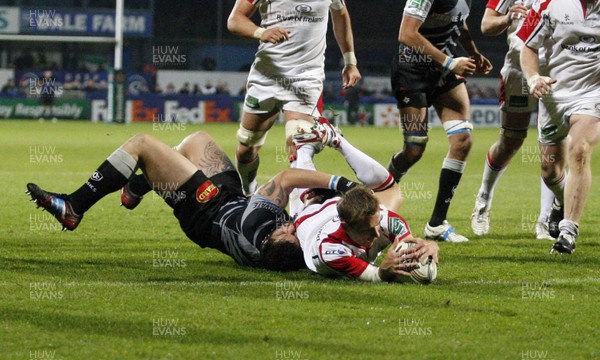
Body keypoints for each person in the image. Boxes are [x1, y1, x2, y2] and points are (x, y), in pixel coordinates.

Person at [26, 131, 359, 271]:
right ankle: (142, 183)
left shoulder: (257, 225)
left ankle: (74, 206)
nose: (290, 227)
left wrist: (342, 185)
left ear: (272, 237)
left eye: (286, 230)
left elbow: (285, 179)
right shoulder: (301, 251)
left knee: (142, 144)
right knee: (197, 140)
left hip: (205, 209)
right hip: (229, 200)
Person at [227, 0, 361, 195]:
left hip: (306, 79)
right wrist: (261, 32)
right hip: (267, 76)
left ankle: (302, 218)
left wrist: (350, 61)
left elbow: (340, 15)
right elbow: (234, 20)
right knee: (246, 148)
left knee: (300, 147)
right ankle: (248, 191)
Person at [387, 0, 493, 243]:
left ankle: (436, 223)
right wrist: (449, 61)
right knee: (413, 151)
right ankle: (377, 195)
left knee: (463, 140)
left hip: (442, 72)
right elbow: (406, 33)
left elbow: (460, 21)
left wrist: (473, 52)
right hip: (411, 71)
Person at [289, 120, 440, 282]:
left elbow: (409, 244)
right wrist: (384, 270)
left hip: (338, 206)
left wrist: (429, 246)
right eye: (367, 230)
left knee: (392, 190)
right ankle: (303, 149)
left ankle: (337, 141)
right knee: (307, 194)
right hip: (308, 217)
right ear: (346, 226)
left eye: (376, 225)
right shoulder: (329, 250)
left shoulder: (383, 219)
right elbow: (375, 275)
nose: (376, 234)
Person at [518, 0, 600, 254]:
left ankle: (568, 231)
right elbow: (528, 46)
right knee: (550, 171)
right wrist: (533, 77)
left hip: (592, 94)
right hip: (553, 94)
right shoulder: (546, 4)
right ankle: (562, 201)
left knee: (580, 148)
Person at [471, 0, 554, 240]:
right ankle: (483, 199)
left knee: (551, 146)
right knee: (511, 140)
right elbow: (486, 25)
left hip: (558, 69)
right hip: (519, 70)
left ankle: (545, 221)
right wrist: (507, 19)